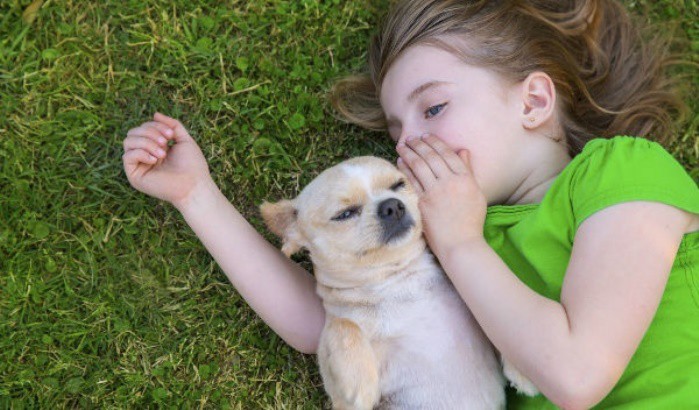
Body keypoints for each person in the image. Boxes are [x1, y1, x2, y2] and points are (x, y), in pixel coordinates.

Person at [122, 0, 699, 408]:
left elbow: (577, 374)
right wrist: (196, 196)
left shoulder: (622, 171)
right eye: (396, 132)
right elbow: (323, 321)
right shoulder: (445, 231)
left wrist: (463, 242)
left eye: (434, 108)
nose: (408, 146)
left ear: (534, 100)